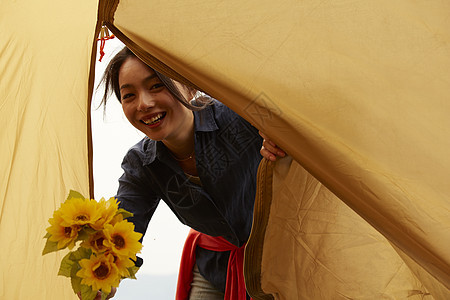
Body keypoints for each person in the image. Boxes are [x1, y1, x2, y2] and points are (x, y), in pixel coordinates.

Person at [90, 47, 285, 300]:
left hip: (286, 258)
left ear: (189, 86)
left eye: (157, 86)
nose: (144, 104)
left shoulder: (239, 115)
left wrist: (281, 137)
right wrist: (106, 274)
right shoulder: (141, 164)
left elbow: (294, 117)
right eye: (129, 95)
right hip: (216, 269)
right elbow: (123, 229)